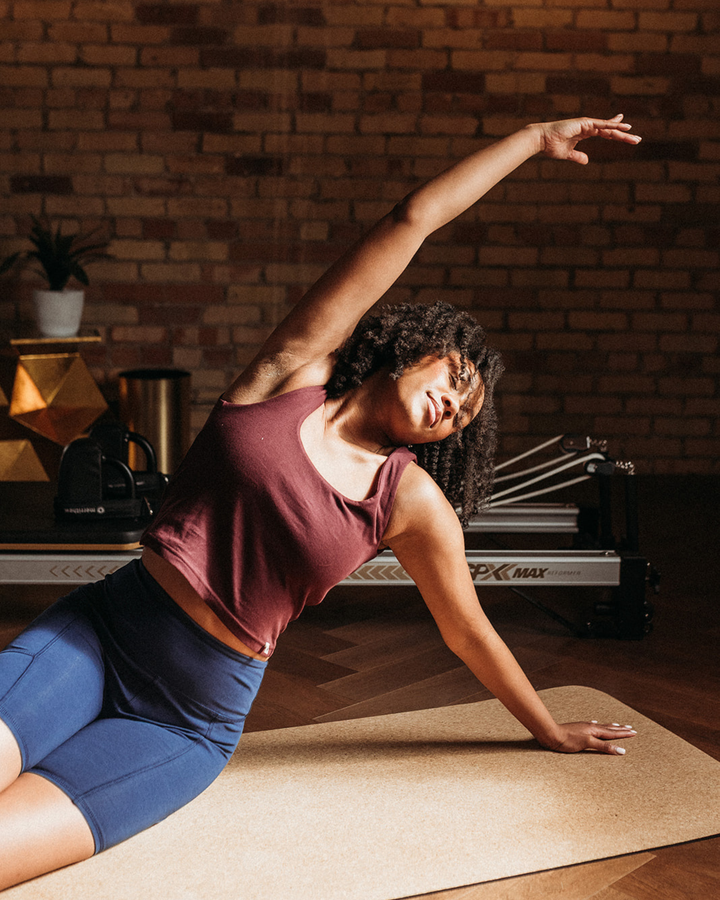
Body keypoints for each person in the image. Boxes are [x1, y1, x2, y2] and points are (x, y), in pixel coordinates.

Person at [0, 115, 641, 889]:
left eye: (468, 413)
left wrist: (547, 729)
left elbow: (467, 630)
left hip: (182, 719)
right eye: (457, 377)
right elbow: (411, 219)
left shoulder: (409, 499)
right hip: (98, 634)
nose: (455, 405)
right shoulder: (292, 373)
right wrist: (534, 140)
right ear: (418, 345)